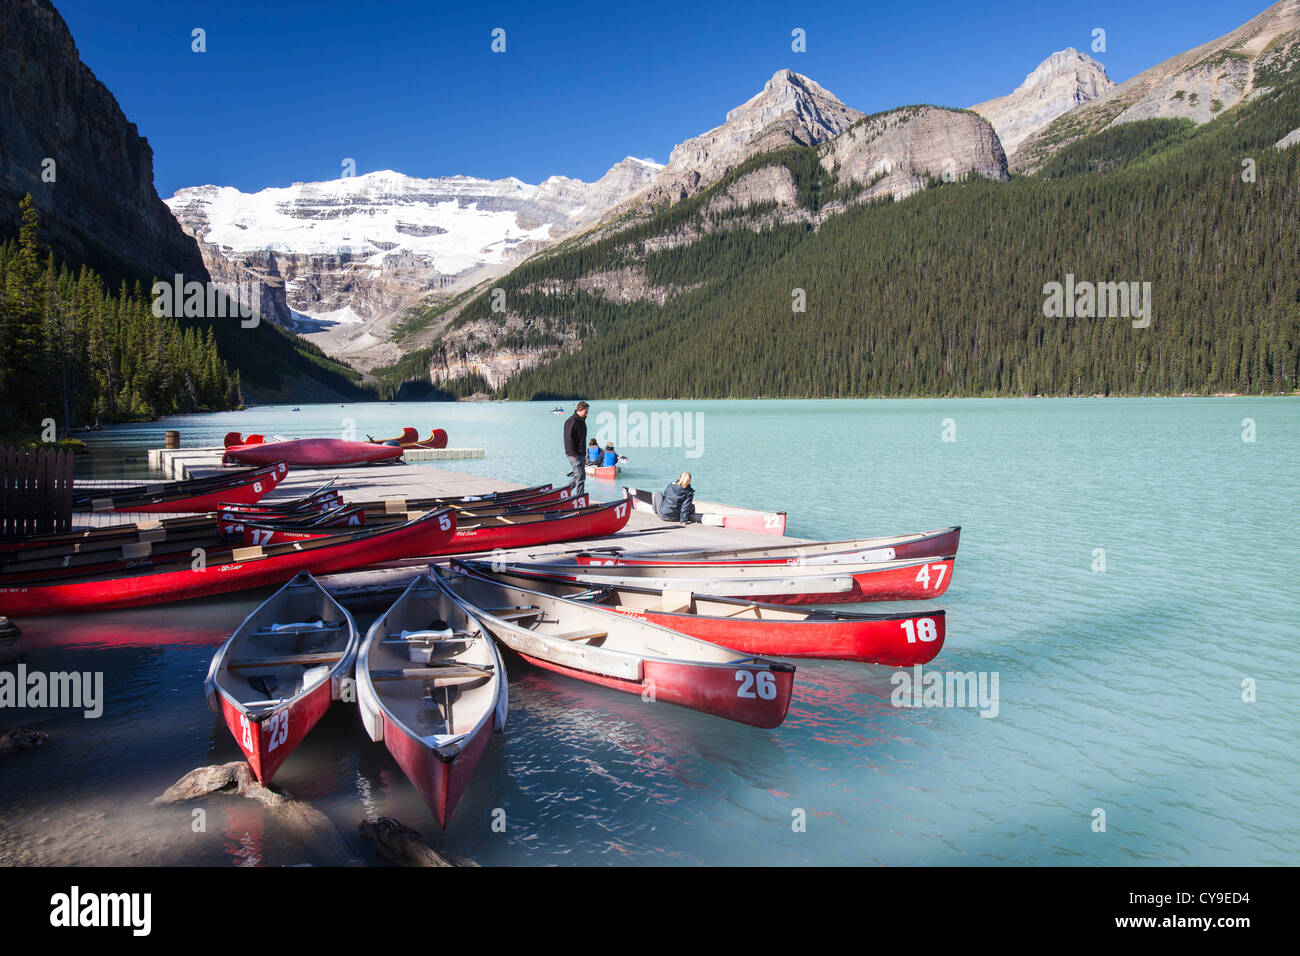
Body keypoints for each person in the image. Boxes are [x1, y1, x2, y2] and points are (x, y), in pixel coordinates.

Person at [563, 401, 589, 496]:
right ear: (580, 410)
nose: (586, 413)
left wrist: (585, 454)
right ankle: (579, 498)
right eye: (585, 411)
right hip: (574, 454)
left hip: (581, 454)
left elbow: (582, 439)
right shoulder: (572, 421)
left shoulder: (582, 421)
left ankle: (563, 493)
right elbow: (568, 439)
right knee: (580, 476)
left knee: (579, 476)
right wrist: (573, 454)